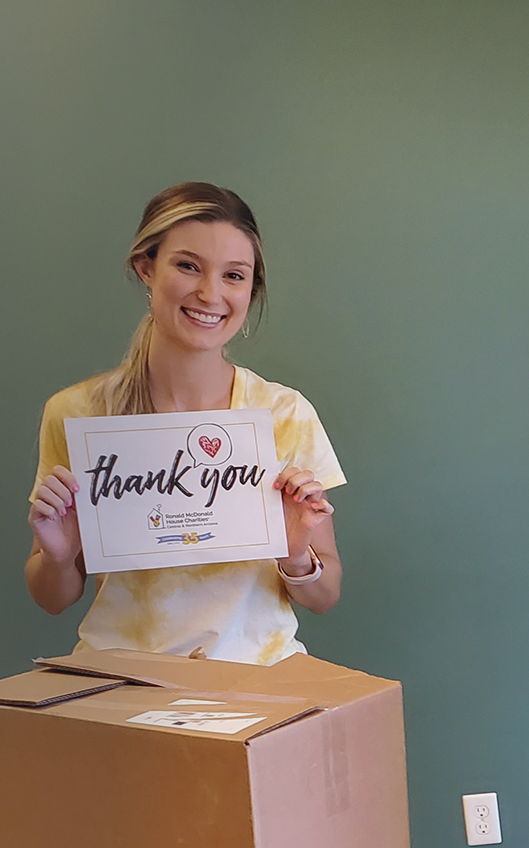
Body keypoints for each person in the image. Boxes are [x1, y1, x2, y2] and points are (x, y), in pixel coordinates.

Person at [22, 182, 346, 665]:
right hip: (123, 679)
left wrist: (296, 555)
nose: (210, 293)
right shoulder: (78, 413)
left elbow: (325, 596)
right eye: (188, 265)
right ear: (146, 267)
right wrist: (58, 555)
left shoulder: (285, 413)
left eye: (234, 275)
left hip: (258, 681)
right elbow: (53, 599)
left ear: (250, 289)